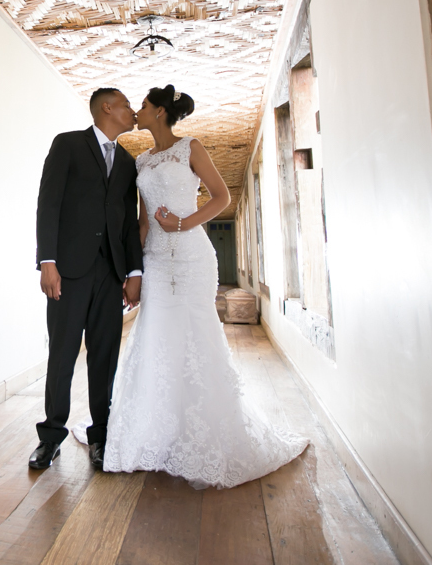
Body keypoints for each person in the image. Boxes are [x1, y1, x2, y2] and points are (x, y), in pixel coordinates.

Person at [100, 85, 308, 488]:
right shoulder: (141, 161)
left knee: (197, 337)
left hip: (193, 257)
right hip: (155, 261)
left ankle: (203, 431)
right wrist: (132, 272)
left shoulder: (190, 147)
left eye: (143, 105)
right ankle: (152, 433)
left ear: (161, 112)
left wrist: (181, 223)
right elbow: (143, 221)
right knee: (155, 335)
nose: (137, 111)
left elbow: (221, 197)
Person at [30, 87, 145, 471]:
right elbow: (48, 203)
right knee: (62, 354)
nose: (133, 111)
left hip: (110, 275)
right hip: (67, 271)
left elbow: (128, 224)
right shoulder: (67, 145)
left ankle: (101, 437)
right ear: (106, 108)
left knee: (105, 357)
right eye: (127, 105)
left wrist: (134, 272)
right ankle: (50, 438)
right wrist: (47, 261)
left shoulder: (128, 163)